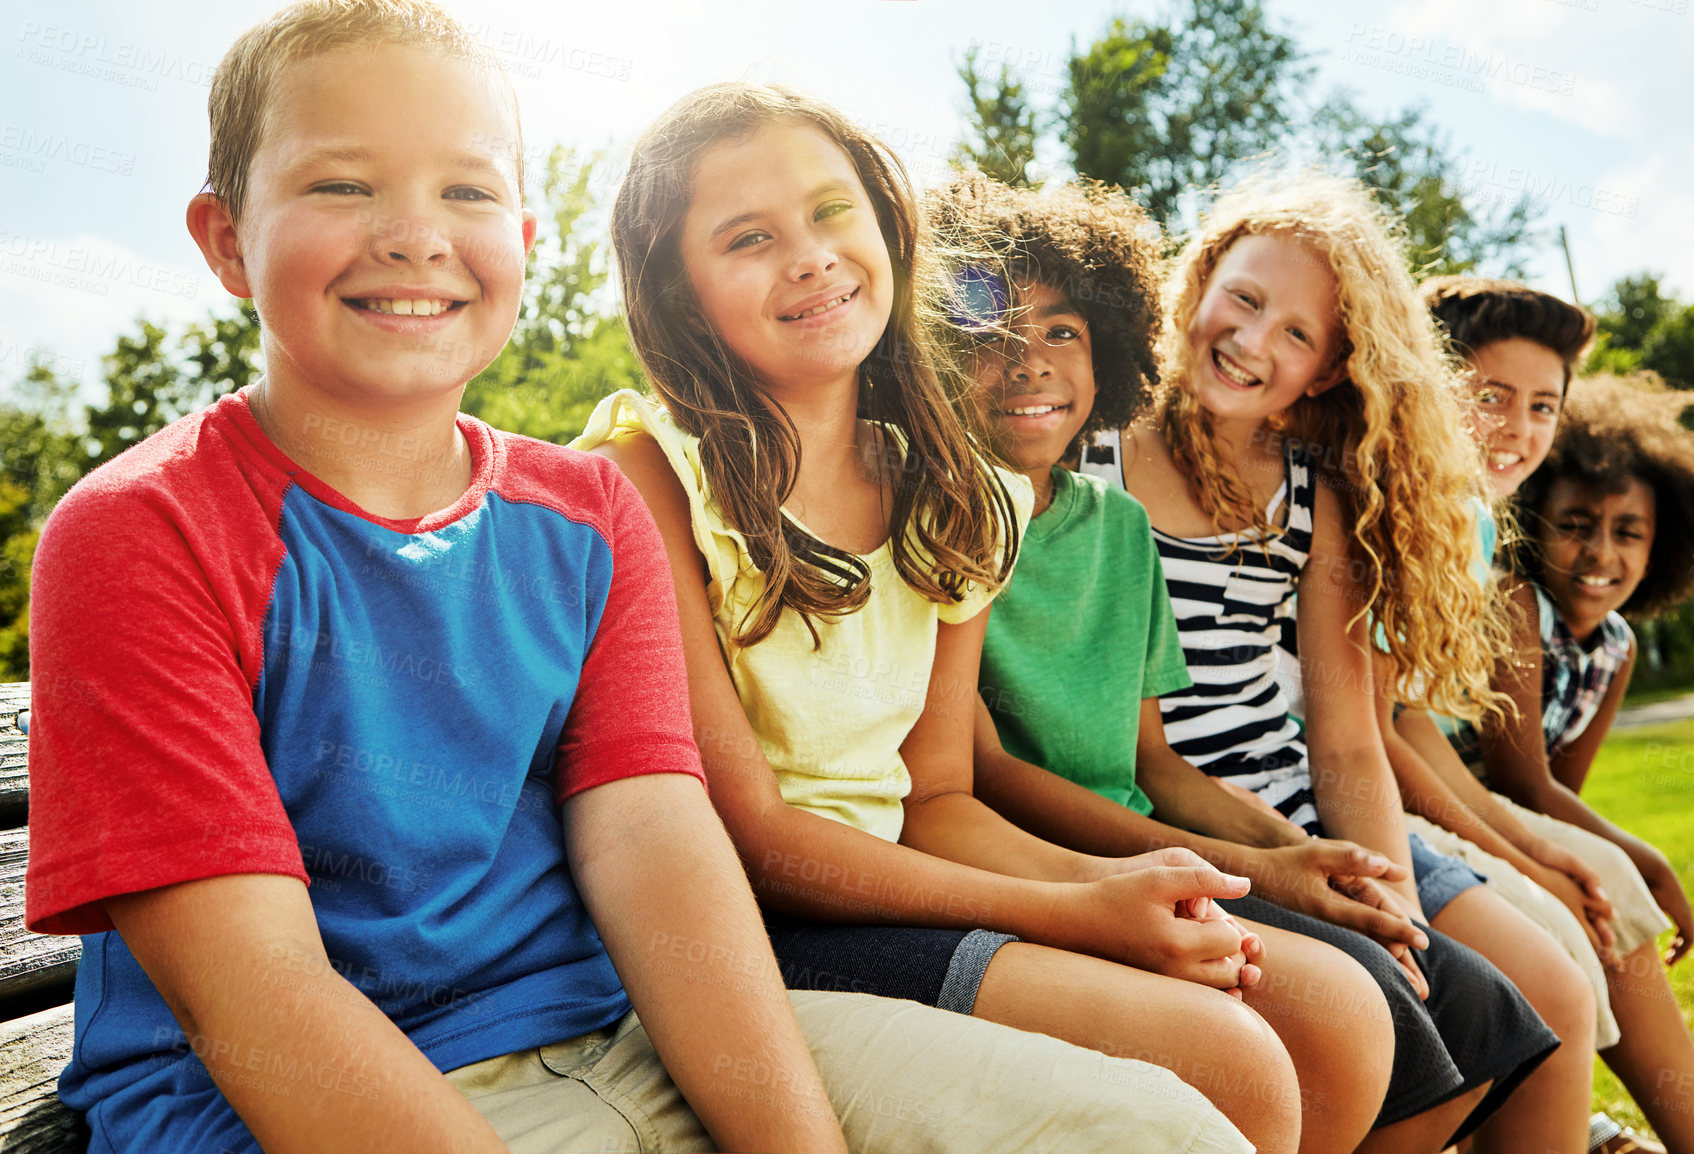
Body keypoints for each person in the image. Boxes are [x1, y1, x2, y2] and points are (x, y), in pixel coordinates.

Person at [20, 6, 1258, 1153]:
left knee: (1166, 1129)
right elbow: (265, 999)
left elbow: (656, 849)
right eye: (343, 184)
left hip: (618, 1040)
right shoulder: (143, 533)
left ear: (523, 239)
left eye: (466, 187)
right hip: (310, 1099)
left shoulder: (579, 513)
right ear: (228, 240)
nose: (414, 232)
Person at [582, 81, 1322, 1153]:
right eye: (748, 236)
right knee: (1231, 1059)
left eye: (832, 212)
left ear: (888, 225)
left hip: (904, 887)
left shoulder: (958, 496)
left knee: (1301, 1024)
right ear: (678, 288)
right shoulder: (649, 479)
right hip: (748, 930)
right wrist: (1080, 907)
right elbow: (753, 837)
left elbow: (935, 794)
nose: (807, 256)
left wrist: (1123, 881)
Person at [929, 173, 1566, 1154]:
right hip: (1109, 834)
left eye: (1298, 333)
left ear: (1324, 369)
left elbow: (1342, 742)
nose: (1255, 340)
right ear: (1194, 289)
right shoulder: (1065, 451)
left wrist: (1366, 884)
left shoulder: (1239, 512)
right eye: (1245, 298)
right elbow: (999, 768)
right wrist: (1267, 865)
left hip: (1233, 810)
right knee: (1358, 1015)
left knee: (1492, 1007)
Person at [1373, 277, 1694, 1153]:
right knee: (1587, 900)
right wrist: (1592, 855)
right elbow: (1492, 769)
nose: (1518, 427)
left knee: (1595, 880)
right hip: (1394, 797)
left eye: (1543, 405)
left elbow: (1545, 789)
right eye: (1490, 398)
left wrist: (1564, 848)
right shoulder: (1434, 538)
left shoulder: (1484, 537)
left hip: (1442, 792)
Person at [1483, 372, 1694, 1152]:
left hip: (1518, 831)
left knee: (1593, 901)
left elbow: (1565, 791)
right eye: (1576, 524)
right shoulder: (1515, 604)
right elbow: (1522, 776)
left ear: (1661, 547)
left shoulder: (1615, 649)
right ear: (1532, 520)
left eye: (1629, 532)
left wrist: (1603, 856)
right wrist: (1643, 860)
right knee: (1605, 903)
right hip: (1454, 812)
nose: (1600, 552)